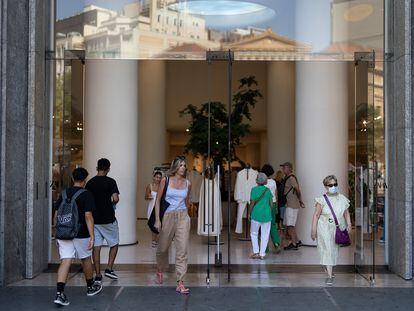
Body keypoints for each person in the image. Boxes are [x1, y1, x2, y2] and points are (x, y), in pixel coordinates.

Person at [53, 167, 102, 306]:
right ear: (85, 180)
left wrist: (57, 233)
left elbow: (57, 215)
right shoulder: (86, 194)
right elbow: (88, 216)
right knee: (86, 259)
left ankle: (59, 293)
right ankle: (90, 287)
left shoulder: (63, 193)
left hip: (64, 233)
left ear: (73, 178)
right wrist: (92, 236)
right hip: (81, 233)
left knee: (65, 260)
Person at [154, 156, 192, 294]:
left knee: (182, 250)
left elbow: (187, 201)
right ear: (175, 167)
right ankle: (159, 269)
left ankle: (180, 282)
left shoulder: (188, 183)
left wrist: (186, 216)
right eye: (181, 165)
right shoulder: (166, 180)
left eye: (184, 165)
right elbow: (157, 200)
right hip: (168, 216)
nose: (183, 168)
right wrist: (158, 220)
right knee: (163, 248)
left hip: (182, 216)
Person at [311, 175, 352, 286]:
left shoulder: (342, 198)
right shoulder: (321, 200)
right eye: (330, 185)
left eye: (335, 184)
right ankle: (330, 276)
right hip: (324, 228)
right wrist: (313, 230)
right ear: (325, 186)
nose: (333, 187)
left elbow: (346, 213)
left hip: (338, 228)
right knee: (328, 250)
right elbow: (316, 215)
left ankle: (327, 268)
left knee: (333, 251)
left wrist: (349, 224)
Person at [86, 158, 120, 283]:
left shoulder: (90, 183)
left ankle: (98, 275)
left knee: (96, 247)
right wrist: (111, 202)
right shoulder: (111, 182)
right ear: (108, 168)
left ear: (97, 168)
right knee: (114, 243)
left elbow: (87, 201)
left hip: (94, 220)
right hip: (108, 218)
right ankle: (109, 268)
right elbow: (115, 198)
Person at [280, 162, 305, 250]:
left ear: (290, 169)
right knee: (290, 224)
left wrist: (300, 200)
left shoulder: (291, 178)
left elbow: (297, 189)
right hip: (289, 204)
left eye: (285, 168)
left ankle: (294, 243)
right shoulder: (286, 178)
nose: (283, 169)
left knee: (290, 225)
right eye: (283, 168)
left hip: (292, 205)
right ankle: (297, 241)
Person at [249, 173, 273, 260]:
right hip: (266, 215)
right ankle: (262, 254)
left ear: (257, 181)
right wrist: (268, 211)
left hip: (256, 214)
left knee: (254, 233)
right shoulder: (268, 190)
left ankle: (256, 252)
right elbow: (271, 204)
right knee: (265, 234)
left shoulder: (253, 190)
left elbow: (252, 203)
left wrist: (250, 213)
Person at [261, 164, 281, 252]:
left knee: (264, 226)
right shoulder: (273, 182)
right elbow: (276, 195)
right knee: (273, 224)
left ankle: (265, 248)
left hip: (264, 205)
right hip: (273, 204)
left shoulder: (261, 182)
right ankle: (276, 243)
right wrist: (276, 207)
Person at [145, 171, 162, 247]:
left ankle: (156, 241)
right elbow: (145, 196)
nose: (158, 179)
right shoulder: (150, 186)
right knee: (152, 225)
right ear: (154, 177)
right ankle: (153, 241)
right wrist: (149, 196)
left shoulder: (162, 186)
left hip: (159, 208)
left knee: (159, 225)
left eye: (159, 177)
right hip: (151, 207)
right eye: (157, 177)